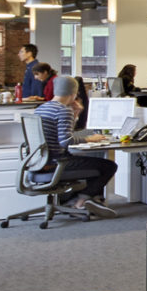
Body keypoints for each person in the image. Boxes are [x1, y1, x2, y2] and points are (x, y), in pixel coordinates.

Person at [33, 76, 117, 214]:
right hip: (57, 163)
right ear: (73, 93)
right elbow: (66, 141)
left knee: (89, 161)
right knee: (108, 166)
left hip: (41, 162)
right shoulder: (63, 110)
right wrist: (90, 139)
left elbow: (62, 134)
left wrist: (76, 114)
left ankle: (77, 199)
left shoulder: (41, 108)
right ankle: (81, 201)